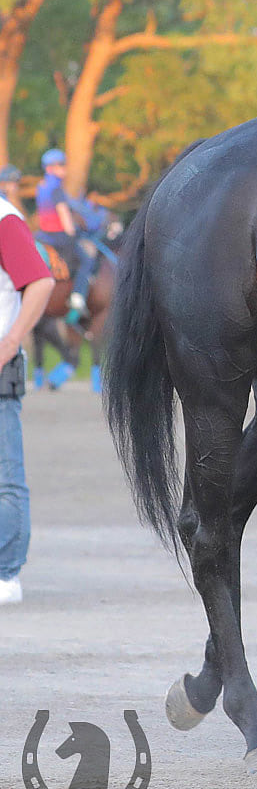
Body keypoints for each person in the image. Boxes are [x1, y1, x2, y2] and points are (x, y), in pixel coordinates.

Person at [0, 188, 55, 604]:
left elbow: (40, 280)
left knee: (5, 478)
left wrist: (12, 339)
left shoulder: (5, 220)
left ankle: (6, 575)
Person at [34, 149, 92, 326]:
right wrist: (73, 232)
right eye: (61, 165)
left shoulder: (41, 187)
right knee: (86, 260)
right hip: (60, 237)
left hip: (43, 235)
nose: (64, 169)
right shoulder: (57, 190)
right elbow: (64, 216)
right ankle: (77, 296)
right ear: (51, 168)